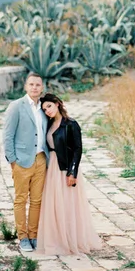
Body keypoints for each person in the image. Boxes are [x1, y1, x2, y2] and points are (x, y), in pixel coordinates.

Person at [37, 93, 102, 256]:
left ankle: (72, 239)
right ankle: (57, 239)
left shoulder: (71, 124)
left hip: (66, 169)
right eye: (44, 109)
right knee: (54, 204)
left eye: (49, 106)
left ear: (58, 104)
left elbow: (78, 149)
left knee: (68, 204)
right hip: (52, 167)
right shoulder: (49, 124)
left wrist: (72, 172)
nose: (47, 111)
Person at [3, 72, 50, 252]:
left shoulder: (44, 107)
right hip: (21, 161)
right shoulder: (16, 106)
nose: (34, 88)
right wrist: (12, 161)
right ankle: (22, 237)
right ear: (25, 87)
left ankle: (34, 235)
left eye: (38, 85)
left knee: (37, 200)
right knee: (21, 200)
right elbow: (7, 135)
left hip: (40, 159)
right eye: (31, 84)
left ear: (42, 87)